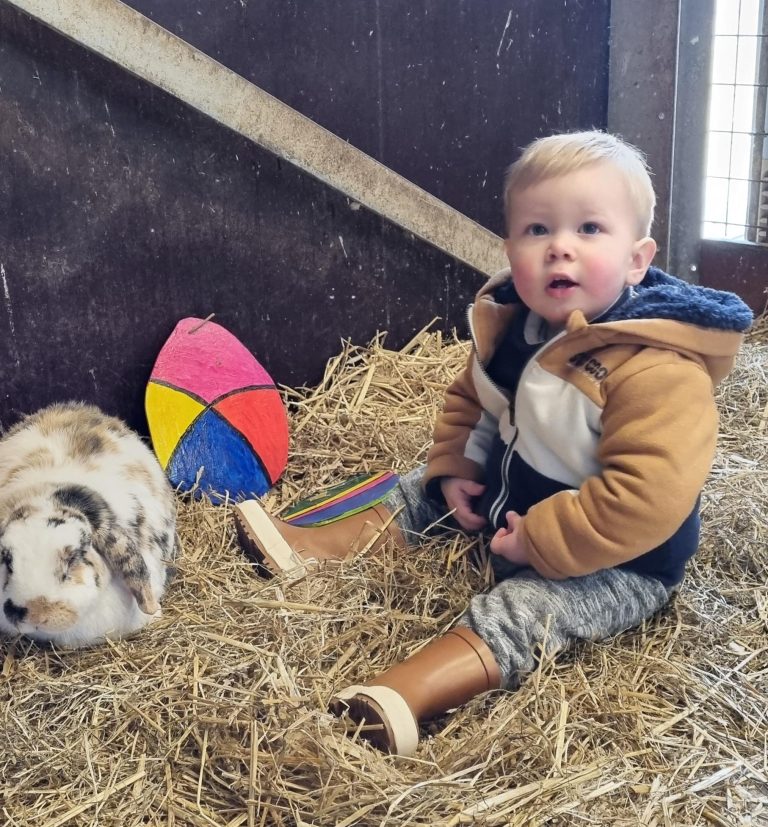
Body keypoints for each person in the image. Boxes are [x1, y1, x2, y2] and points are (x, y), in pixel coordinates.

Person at [233, 131, 753, 756]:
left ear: (638, 260)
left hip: (616, 558)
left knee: (527, 609)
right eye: (537, 230)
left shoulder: (658, 370)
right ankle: (308, 549)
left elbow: (648, 497)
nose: (560, 247)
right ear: (510, 248)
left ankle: (405, 694)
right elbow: (471, 399)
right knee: (418, 491)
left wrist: (540, 540)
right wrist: (454, 468)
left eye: (589, 229)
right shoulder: (518, 327)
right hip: (506, 495)